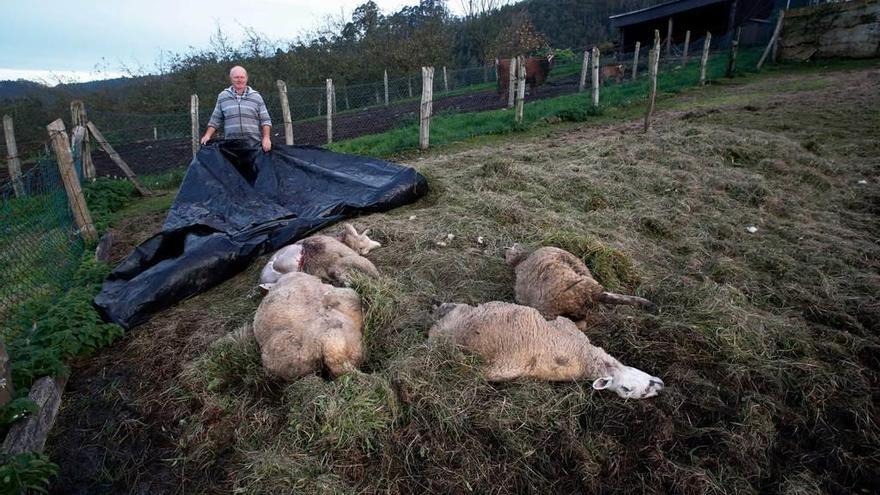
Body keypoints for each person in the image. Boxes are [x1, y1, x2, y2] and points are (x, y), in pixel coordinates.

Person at [200, 66, 273, 152]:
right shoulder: (223, 97)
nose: (239, 80)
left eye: (242, 77)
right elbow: (215, 120)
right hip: (231, 146)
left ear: (246, 78)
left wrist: (266, 138)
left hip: (253, 145)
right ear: (231, 79)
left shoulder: (256, 97)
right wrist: (207, 136)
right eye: (236, 77)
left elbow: (266, 120)